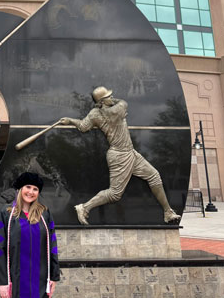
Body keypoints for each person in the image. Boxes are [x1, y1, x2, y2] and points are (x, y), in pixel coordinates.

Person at [60, 86, 181, 225]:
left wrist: (70, 120)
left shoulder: (95, 113)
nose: (112, 97)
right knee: (115, 194)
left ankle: (167, 212)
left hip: (129, 152)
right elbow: (123, 102)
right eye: (109, 96)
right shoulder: (117, 109)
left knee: (154, 175)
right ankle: (84, 208)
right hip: (119, 156)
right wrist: (110, 102)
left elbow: (83, 126)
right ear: (103, 101)